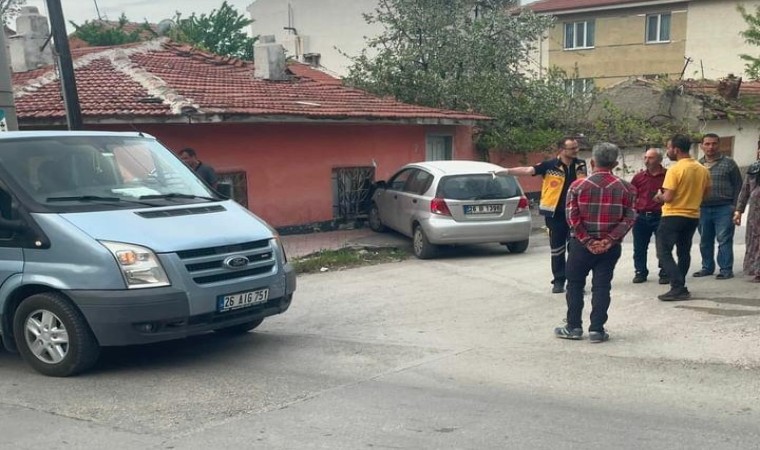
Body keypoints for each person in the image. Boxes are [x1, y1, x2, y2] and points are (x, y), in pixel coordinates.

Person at [554, 142, 636, 343]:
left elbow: (572, 218)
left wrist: (587, 241)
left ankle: (573, 327)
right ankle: (597, 330)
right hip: (610, 248)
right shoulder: (627, 188)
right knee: (602, 286)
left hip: (580, 246)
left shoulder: (577, 186)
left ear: (592, 162)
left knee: (575, 284)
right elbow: (629, 218)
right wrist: (609, 240)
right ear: (615, 164)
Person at [497, 136, 587, 294]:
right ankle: (558, 281)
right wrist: (507, 172)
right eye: (572, 148)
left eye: (576, 147)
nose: (576, 151)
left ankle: (575, 283)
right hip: (555, 214)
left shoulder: (581, 164)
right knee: (557, 249)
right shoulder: (549, 165)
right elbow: (528, 170)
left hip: (576, 213)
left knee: (576, 249)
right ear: (562, 149)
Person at [654, 135, 711, 301]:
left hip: (673, 215)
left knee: (663, 252)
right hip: (692, 215)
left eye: (668, 148)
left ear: (676, 150)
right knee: (684, 251)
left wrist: (659, 196)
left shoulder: (675, 169)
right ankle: (680, 284)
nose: (667, 151)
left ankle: (678, 286)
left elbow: (668, 197)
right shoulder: (702, 169)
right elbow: (706, 195)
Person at [692, 133, 743, 280]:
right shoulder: (697, 165)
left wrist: (735, 207)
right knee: (705, 240)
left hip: (724, 208)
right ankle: (707, 267)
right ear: (701, 146)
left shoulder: (729, 163)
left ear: (719, 145)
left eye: (714, 143)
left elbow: (738, 185)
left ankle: (726, 269)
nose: (711, 147)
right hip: (703, 208)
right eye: (707, 144)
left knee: (724, 239)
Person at [630, 147, 669, 284]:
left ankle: (664, 272)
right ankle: (640, 272)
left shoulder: (668, 175)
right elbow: (632, 194)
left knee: (663, 246)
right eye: (645, 157)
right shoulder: (638, 177)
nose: (647, 161)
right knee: (639, 247)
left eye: (650, 158)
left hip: (661, 215)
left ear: (659, 159)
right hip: (641, 216)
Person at [733, 146, 760, 283]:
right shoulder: (754, 168)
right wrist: (738, 211)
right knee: (754, 241)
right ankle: (757, 271)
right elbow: (745, 191)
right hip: (755, 213)